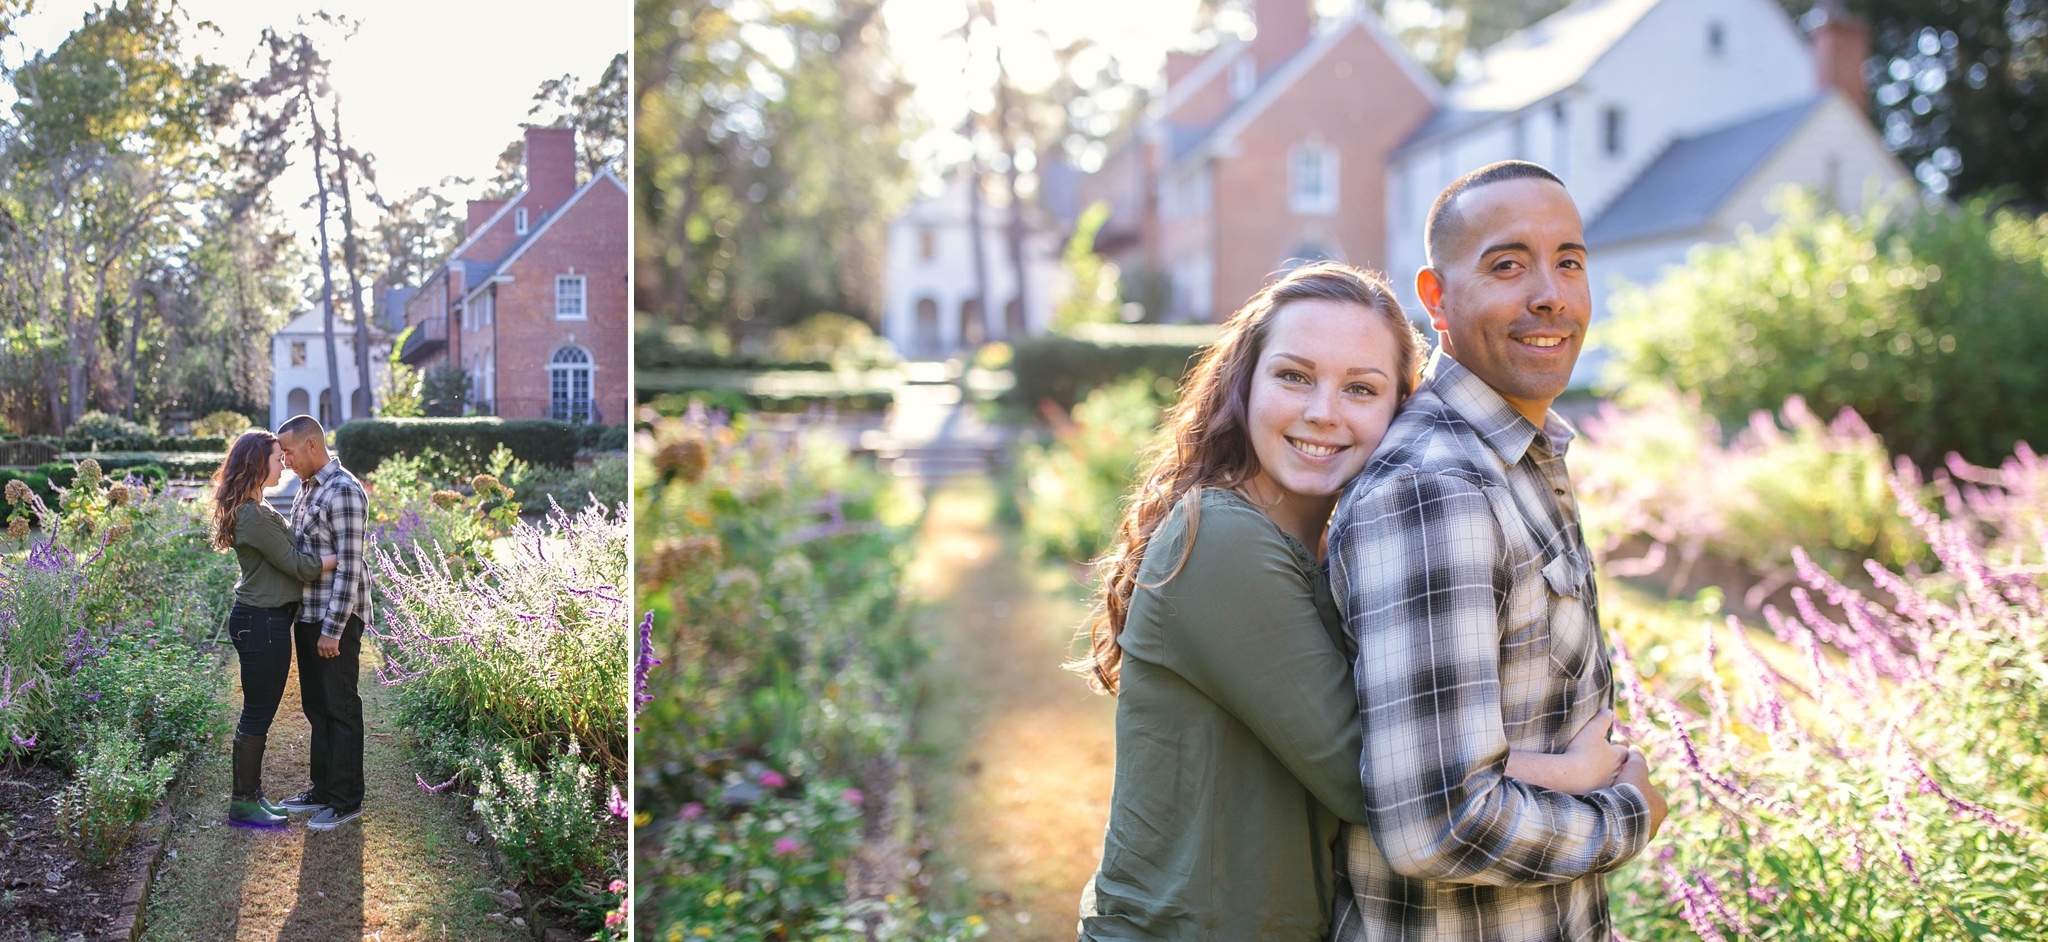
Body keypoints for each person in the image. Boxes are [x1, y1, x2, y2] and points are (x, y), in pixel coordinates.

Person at [1074, 263, 1630, 940]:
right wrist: (1570, 772)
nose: (1322, 412)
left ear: (1400, 410)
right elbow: (1369, 771)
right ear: (1243, 383)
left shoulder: (1330, 546)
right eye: (1294, 376)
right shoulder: (1222, 541)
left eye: (1360, 388)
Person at [1326, 161, 1667, 941]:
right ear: (1437, 298)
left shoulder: (1518, 456)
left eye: (1569, 262)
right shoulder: (1437, 490)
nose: (1549, 293)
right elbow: (1436, 822)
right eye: (1507, 264)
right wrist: (1629, 816)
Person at [210, 430, 338, 830]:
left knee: (259, 711)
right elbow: (297, 565)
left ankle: (251, 795)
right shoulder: (251, 514)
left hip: (266, 620)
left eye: (284, 456)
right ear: (255, 463)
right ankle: (243, 804)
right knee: (257, 713)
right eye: (276, 457)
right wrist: (343, 557)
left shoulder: (257, 508)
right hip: (261, 622)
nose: (283, 462)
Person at [273, 415, 370, 833]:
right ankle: (322, 788)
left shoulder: (344, 490)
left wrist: (333, 628)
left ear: (312, 446)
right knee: (317, 707)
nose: (285, 460)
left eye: (289, 452)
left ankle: (347, 800)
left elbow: (349, 568)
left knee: (341, 707)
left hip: (337, 618)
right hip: (309, 614)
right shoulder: (308, 487)